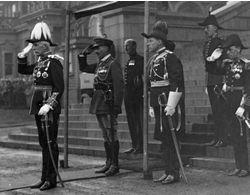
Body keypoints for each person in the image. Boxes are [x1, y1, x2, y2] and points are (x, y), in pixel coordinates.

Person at [17, 21, 64, 191]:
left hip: (48, 107)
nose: (34, 48)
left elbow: (59, 88)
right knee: (43, 142)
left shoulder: (54, 63)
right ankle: (44, 176)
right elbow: (23, 70)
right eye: (33, 46)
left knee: (50, 142)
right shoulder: (39, 62)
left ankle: (51, 179)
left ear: (45, 46)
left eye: (36, 45)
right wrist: (23, 55)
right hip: (38, 104)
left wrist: (50, 105)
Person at [142, 20, 185, 184]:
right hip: (158, 103)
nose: (148, 44)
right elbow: (150, 84)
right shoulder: (153, 59)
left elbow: (176, 82)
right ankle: (167, 170)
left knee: (171, 139)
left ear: (160, 41)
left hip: (168, 103)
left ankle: (174, 172)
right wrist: (151, 106)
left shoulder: (170, 57)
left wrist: (172, 104)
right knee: (164, 139)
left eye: (150, 41)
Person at [78, 38, 124, 176]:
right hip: (99, 102)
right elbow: (84, 68)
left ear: (107, 48)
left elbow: (119, 85)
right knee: (105, 134)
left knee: (112, 133)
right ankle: (108, 162)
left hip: (109, 102)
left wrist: (116, 105)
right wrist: (83, 55)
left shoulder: (113, 63)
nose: (96, 51)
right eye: (95, 48)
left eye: (99, 48)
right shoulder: (100, 63)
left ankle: (115, 165)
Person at [218, 34, 250, 177]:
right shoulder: (227, 64)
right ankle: (238, 165)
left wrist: (243, 106)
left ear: (237, 49)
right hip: (229, 100)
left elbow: (248, 88)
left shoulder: (246, 64)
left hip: (240, 100)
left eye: (230, 50)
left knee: (242, 135)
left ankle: (245, 167)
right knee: (234, 135)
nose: (228, 53)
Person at [198, 11, 228, 147]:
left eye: (207, 27)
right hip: (211, 80)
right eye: (204, 28)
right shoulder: (207, 44)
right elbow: (207, 66)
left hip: (219, 81)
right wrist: (206, 83)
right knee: (215, 111)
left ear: (215, 28)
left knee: (221, 111)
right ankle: (217, 137)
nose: (205, 30)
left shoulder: (221, 43)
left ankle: (223, 138)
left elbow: (222, 65)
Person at [123, 39, 144, 154]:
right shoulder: (129, 61)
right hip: (128, 95)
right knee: (131, 121)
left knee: (138, 121)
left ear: (134, 47)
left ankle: (139, 145)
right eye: (125, 47)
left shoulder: (140, 60)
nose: (126, 49)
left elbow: (140, 77)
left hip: (136, 95)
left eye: (128, 46)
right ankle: (134, 144)